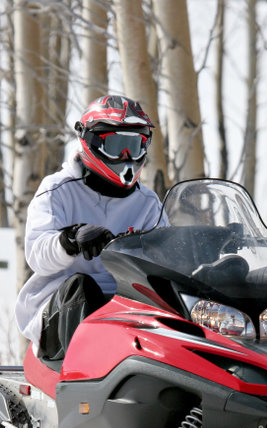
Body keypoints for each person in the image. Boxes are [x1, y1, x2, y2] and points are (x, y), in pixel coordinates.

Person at [15, 95, 164, 362]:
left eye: (135, 145)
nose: (126, 156)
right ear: (92, 141)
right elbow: (37, 254)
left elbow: (168, 252)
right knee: (81, 287)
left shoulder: (148, 203)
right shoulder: (57, 190)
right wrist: (70, 239)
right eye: (117, 145)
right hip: (58, 310)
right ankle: (82, 381)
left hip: (125, 306)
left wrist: (208, 257)